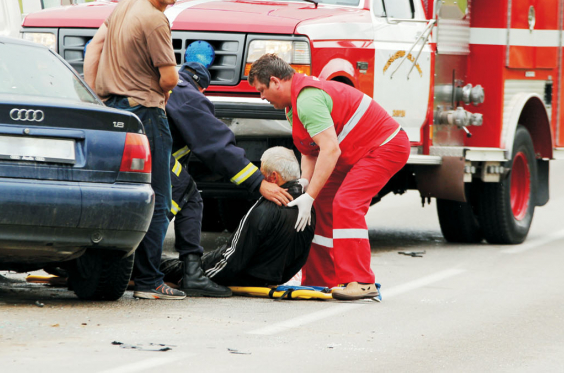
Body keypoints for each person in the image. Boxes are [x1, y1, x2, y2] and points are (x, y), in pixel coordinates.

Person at [248, 54, 410, 300]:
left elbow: (330, 149)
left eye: (262, 90)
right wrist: (305, 184)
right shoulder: (293, 105)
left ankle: (361, 281)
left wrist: (309, 195)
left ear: (275, 81)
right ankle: (320, 279)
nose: (261, 97)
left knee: (346, 203)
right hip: (355, 152)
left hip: (383, 147)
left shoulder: (307, 100)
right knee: (321, 204)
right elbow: (310, 149)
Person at [82, 0, 183, 300]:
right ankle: (149, 281)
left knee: (119, 193)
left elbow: (94, 47)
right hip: (147, 115)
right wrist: (169, 85)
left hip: (114, 112)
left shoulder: (124, 6)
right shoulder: (155, 20)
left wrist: (94, 94)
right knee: (158, 197)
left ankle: (120, 271)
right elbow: (169, 77)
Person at [166, 62, 293, 297]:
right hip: (155, 158)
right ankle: (188, 274)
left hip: (136, 153)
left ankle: (145, 267)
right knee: (189, 199)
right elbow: (217, 146)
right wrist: (257, 182)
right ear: (202, 88)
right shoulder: (189, 95)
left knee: (160, 205)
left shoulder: (171, 87)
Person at [160, 146, 314, 287]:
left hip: (237, 275)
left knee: (171, 266)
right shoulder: (308, 210)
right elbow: (300, 257)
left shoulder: (264, 210)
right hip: (275, 279)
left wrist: (196, 277)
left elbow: (231, 259)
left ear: (273, 177)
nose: (259, 176)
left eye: (261, 172)